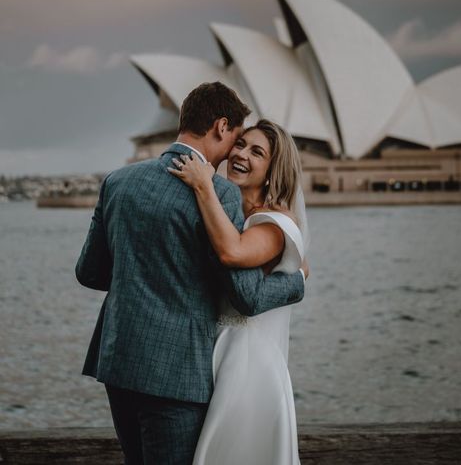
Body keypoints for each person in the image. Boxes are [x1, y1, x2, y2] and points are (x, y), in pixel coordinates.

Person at [75, 82, 306, 465]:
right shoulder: (220, 193)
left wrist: (138, 273)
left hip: (118, 362)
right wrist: (296, 282)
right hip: (176, 374)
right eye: (236, 138)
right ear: (220, 126)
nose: (235, 150)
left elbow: (89, 273)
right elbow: (246, 297)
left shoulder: (117, 181)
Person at [169, 118, 308, 465]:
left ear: (274, 169)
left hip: (247, 365)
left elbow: (233, 253)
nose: (241, 154)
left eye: (257, 151)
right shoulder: (228, 211)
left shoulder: (275, 223)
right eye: (241, 144)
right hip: (209, 354)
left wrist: (203, 186)